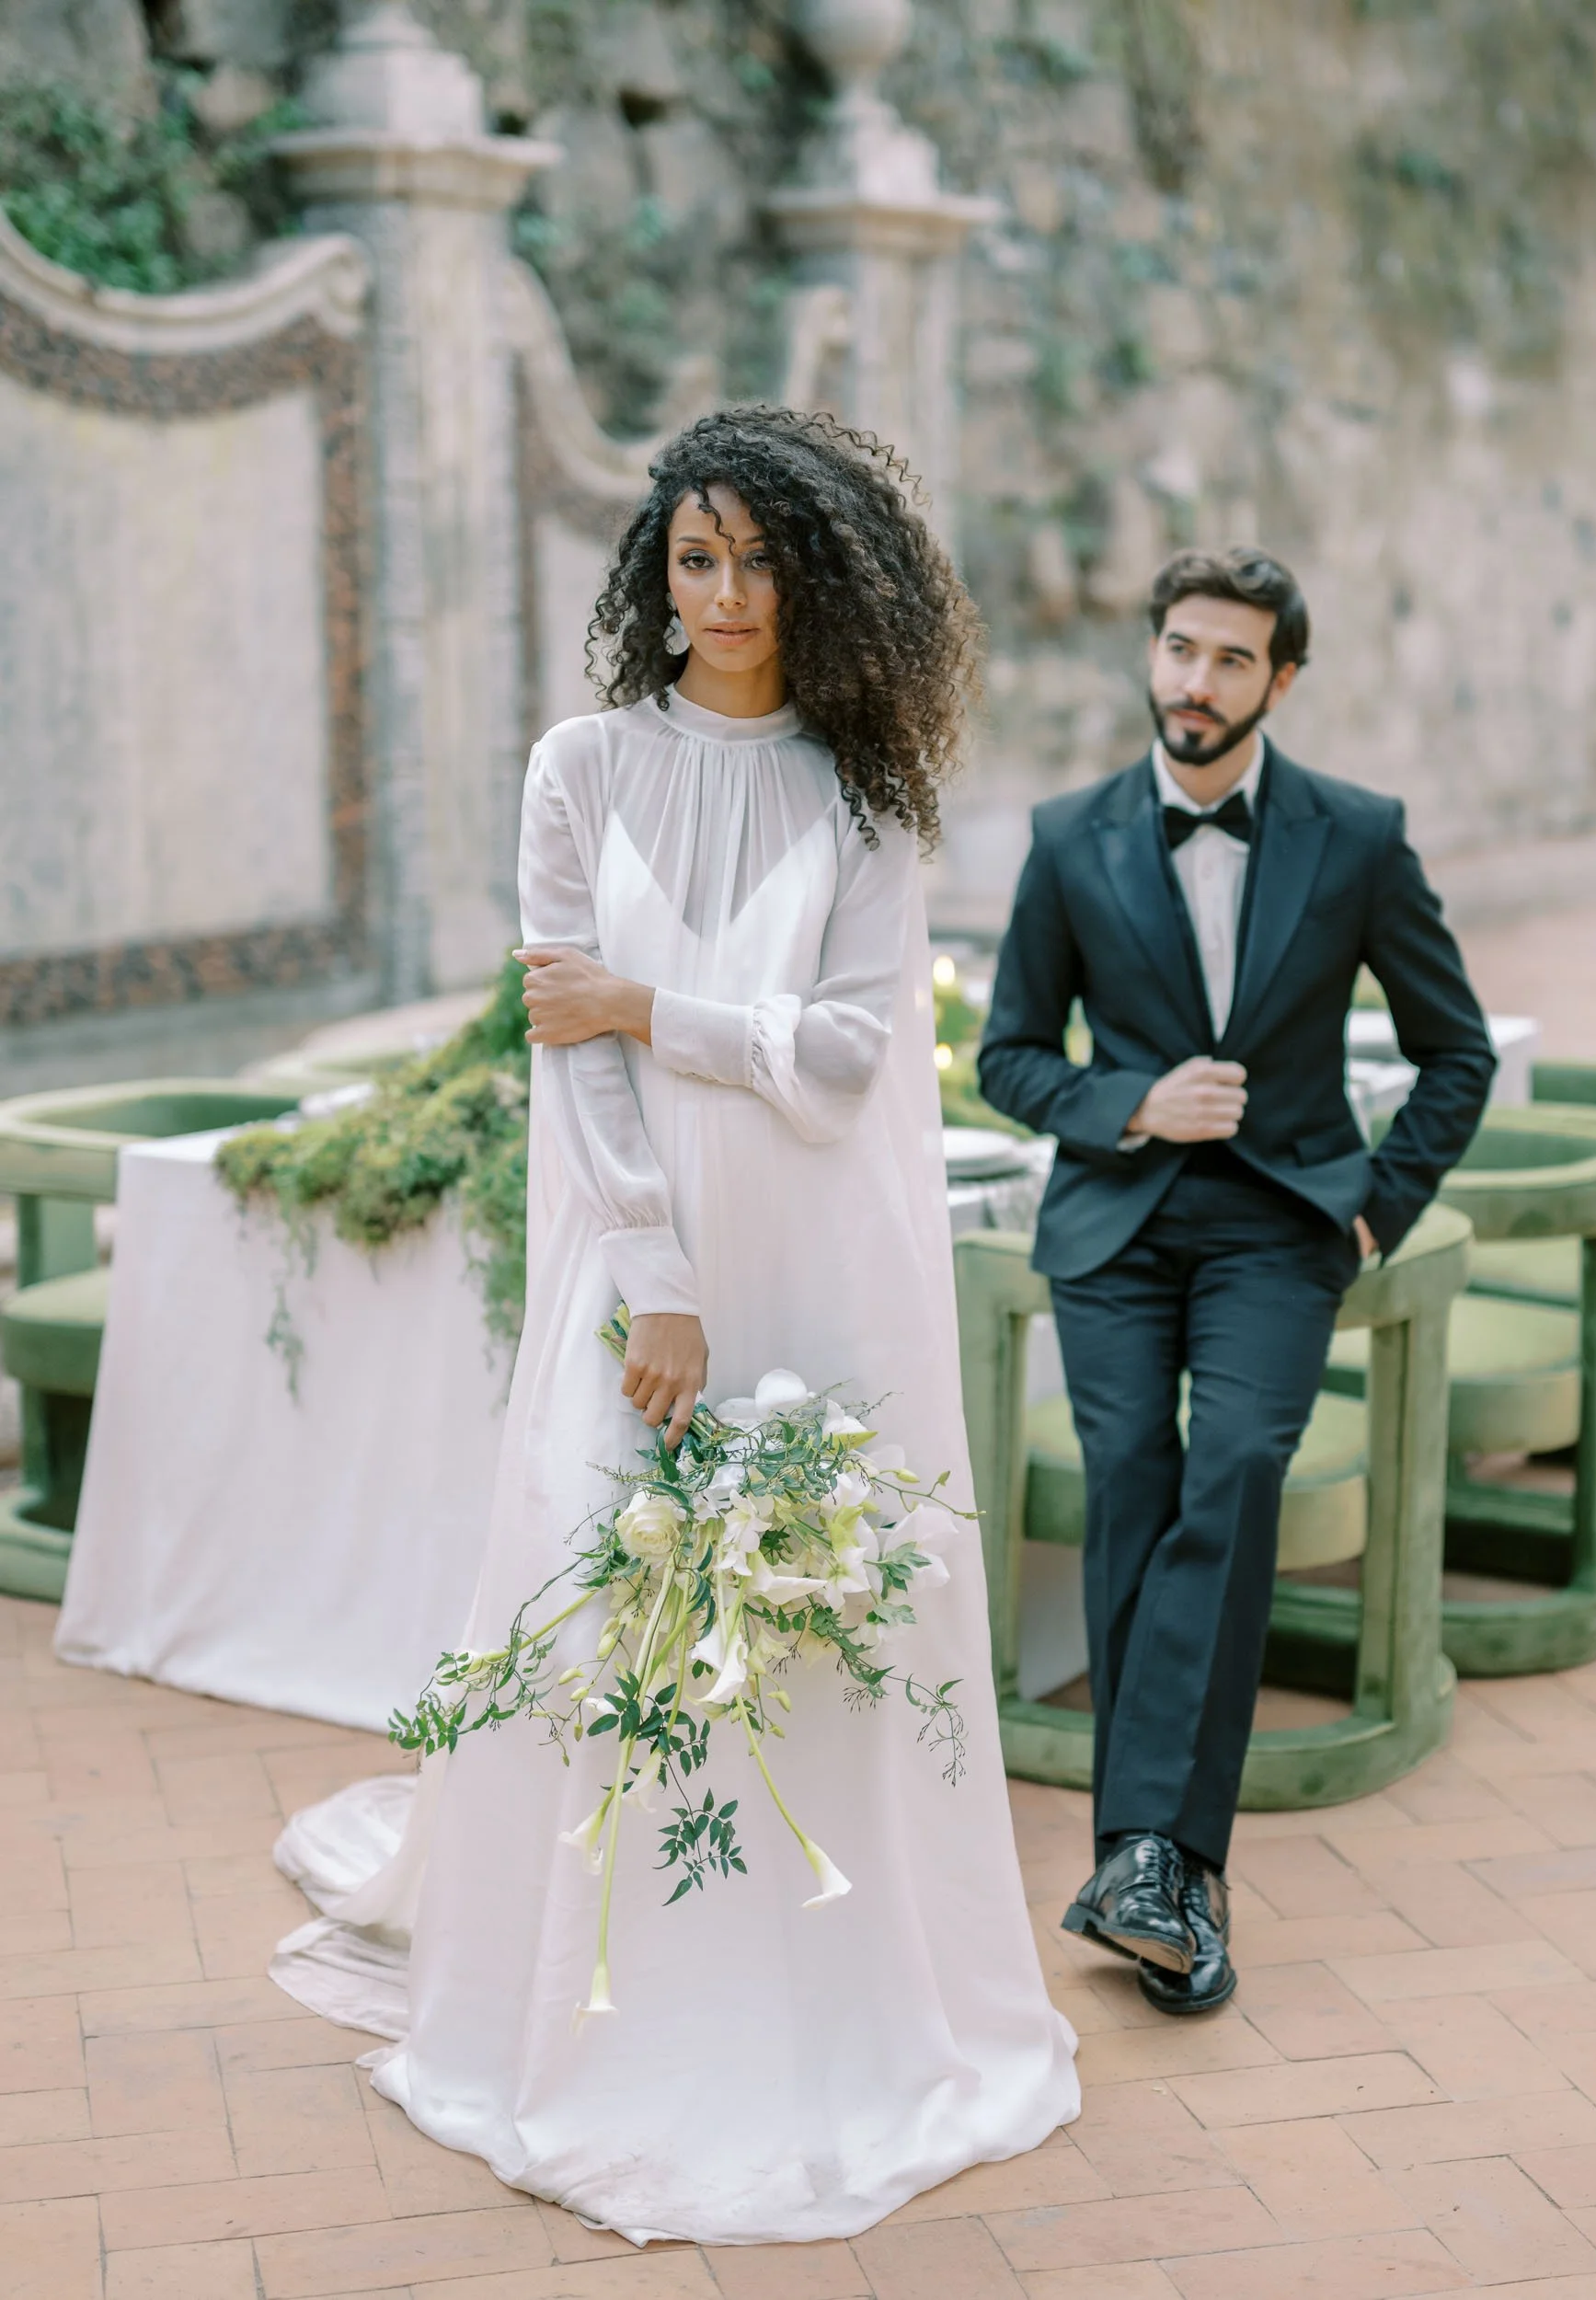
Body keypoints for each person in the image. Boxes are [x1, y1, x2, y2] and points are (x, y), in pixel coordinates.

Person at [267, 407, 1078, 2243]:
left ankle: (822, 2002)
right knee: (597, 1580)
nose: (723, 594)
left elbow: (853, 1057)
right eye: (694, 559)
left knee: (812, 1608)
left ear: (827, 576)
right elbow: (573, 1063)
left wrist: (650, 999)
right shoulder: (580, 766)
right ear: (656, 572)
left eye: (760, 558)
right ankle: (593, 2001)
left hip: (824, 1272)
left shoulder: (870, 797)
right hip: (640, 1271)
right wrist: (657, 1277)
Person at [978, 546, 1496, 2016]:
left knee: (1239, 1473)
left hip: (1284, 1225)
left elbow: (1452, 1050)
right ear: (1151, 655)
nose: (1193, 683)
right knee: (1133, 1489)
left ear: (1280, 678)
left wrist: (1376, 1209)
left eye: (1227, 659)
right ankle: (1162, 1874)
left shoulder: (1357, 838)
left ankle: (1146, 1857)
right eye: (1177, 651)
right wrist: (1132, 1105)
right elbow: (1009, 1055)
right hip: (1116, 1229)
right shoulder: (1068, 836)